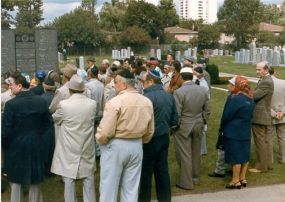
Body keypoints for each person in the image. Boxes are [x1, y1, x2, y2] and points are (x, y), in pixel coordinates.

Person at [96, 69, 154, 202]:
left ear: (124, 84)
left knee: (108, 188)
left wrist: (100, 140)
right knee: (131, 188)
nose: (114, 86)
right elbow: (150, 131)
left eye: (115, 83)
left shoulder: (115, 102)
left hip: (116, 144)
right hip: (136, 145)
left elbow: (105, 132)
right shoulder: (146, 102)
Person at [2, 72, 54, 202]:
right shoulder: (41, 101)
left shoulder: (11, 105)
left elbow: (6, 130)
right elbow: (48, 125)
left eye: (11, 85)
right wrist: (41, 141)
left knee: (15, 182)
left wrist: (5, 146)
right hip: (36, 144)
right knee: (35, 181)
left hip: (15, 146)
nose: (9, 87)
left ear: (19, 86)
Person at [51, 75, 97, 202]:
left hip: (69, 146)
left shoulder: (64, 105)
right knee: (88, 177)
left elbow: (55, 119)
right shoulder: (92, 104)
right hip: (86, 144)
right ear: (83, 89)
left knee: (69, 179)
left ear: (70, 89)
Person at [138, 70, 178, 202]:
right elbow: (175, 119)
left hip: (149, 140)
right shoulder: (168, 95)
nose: (142, 85)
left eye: (143, 82)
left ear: (150, 81)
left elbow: (142, 122)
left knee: (146, 173)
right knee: (162, 171)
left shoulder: (146, 98)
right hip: (164, 137)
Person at [173, 67, 210, 190]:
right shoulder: (203, 90)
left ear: (182, 77)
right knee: (195, 152)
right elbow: (207, 110)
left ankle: (186, 182)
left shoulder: (179, 92)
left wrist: (175, 126)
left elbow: (177, 113)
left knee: (185, 155)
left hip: (184, 125)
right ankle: (195, 178)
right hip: (198, 124)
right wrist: (203, 120)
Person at [221, 76, 255, 189]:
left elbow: (227, 115)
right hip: (245, 130)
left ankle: (235, 180)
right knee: (244, 155)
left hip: (234, 130)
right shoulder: (250, 98)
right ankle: (242, 178)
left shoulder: (235, 98)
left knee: (235, 156)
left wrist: (222, 126)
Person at [208, 76, 236, 178]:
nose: (227, 86)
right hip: (235, 128)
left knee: (222, 147)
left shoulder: (232, 97)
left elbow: (227, 114)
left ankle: (220, 170)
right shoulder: (238, 96)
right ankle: (230, 167)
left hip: (229, 127)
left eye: (229, 84)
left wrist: (222, 126)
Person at [249, 61, 274, 173]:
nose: (257, 71)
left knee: (260, 142)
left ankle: (260, 167)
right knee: (263, 141)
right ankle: (267, 164)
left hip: (260, 115)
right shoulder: (265, 80)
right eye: (257, 69)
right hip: (262, 114)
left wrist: (245, 91)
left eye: (259, 70)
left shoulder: (266, 81)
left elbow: (254, 96)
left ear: (266, 70)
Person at [269, 68, 285, 164]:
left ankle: (269, 160)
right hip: (282, 115)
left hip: (269, 114)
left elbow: (263, 102)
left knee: (269, 138)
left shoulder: (263, 84)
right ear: (274, 72)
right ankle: (283, 158)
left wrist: (274, 114)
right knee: (283, 137)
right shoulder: (283, 82)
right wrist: (282, 112)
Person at [193, 66, 210, 156]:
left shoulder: (203, 84)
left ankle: (203, 150)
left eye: (195, 72)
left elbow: (206, 98)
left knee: (202, 130)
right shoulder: (196, 81)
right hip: (195, 106)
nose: (193, 74)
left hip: (201, 107)